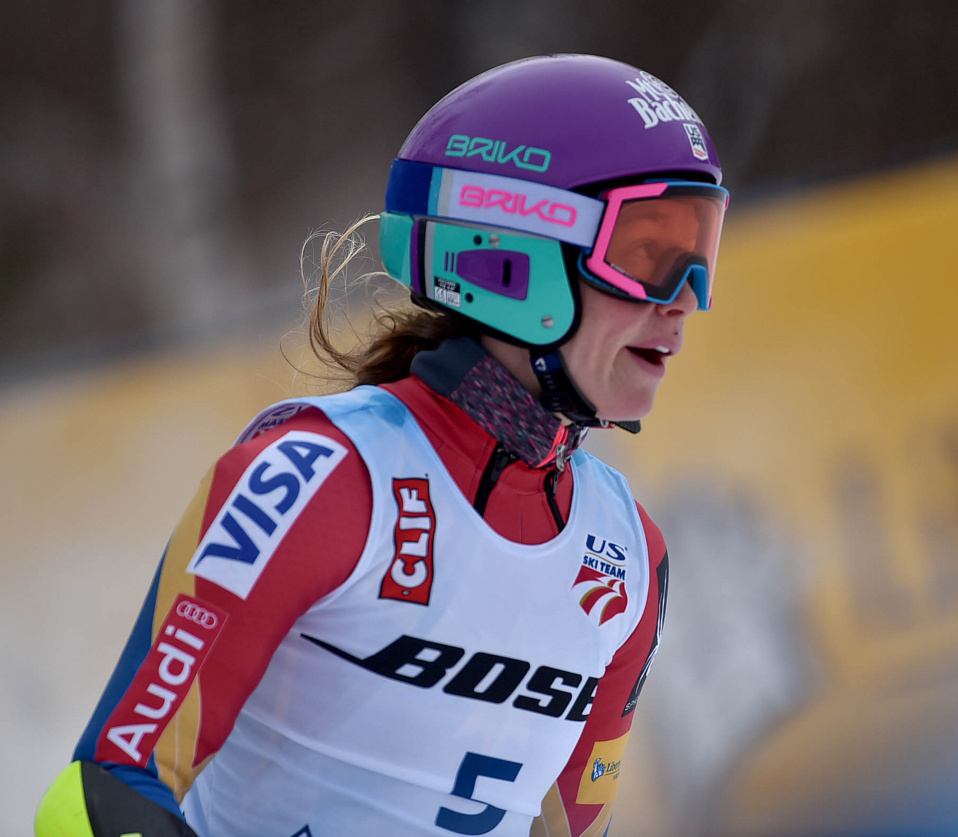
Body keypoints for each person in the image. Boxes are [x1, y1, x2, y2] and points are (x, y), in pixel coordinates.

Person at [35, 53, 728, 837]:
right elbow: (100, 798)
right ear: (515, 255)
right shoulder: (318, 476)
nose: (685, 303)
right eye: (649, 252)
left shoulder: (631, 556)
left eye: (698, 254)